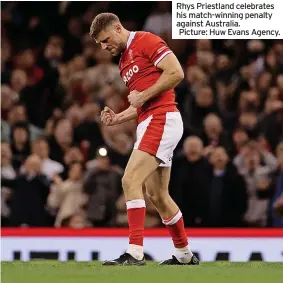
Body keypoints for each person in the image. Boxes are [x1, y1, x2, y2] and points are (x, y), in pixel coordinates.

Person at [89, 13, 199, 266]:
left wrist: (142, 97)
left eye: (106, 40)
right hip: (150, 120)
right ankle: (184, 256)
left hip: (162, 119)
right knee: (157, 195)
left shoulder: (146, 40)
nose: (105, 47)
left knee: (129, 179)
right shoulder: (124, 61)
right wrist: (118, 118)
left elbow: (176, 72)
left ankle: (135, 252)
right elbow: (141, 103)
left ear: (118, 28)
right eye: (101, 45)